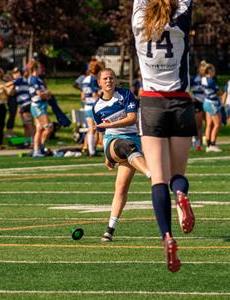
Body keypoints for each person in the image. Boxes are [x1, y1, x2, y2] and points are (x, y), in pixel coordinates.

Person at [133, 0, 196, 272]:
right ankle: (180, 193)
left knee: (158, 178)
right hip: (181, 103)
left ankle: (166, 237)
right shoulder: (180, 21)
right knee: (177, 175)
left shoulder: (138, 24)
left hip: (152, 104)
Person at [93, 68, 151, 242]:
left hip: (132, 141)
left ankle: (109, 230)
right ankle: (151, 174)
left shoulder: (125, 95)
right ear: (99, 83)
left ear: (116, 80)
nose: (109, 81)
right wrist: (106, 155)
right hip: (113, 142)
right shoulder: (97, 107)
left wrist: (109, 124)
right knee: (125, 146)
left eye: (111, 78)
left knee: (121, 188)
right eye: (105, 79)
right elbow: (101, 133)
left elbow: (132, 118)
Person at [28, 62, 53, 157]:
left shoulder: (39, 79)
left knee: (39, 129)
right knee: (49, 127)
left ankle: (36, 151)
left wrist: (46, 94)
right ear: (35, 68)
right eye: (39, 68)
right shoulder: (33, 79)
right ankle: (41, 147)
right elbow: (40, 94)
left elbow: (45, 94)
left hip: (41, 105)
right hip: (38, 106)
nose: (41, 69)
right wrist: (47, 93)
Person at [81, 61, 102, 157]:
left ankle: (90, 149)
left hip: (86, 106)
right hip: (93, 107)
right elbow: (95, 95)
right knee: (94, 129)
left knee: (91, 129)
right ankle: (92, 150)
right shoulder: (93, 79)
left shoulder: (85, 79)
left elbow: (82, 96)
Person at [201, 63, 222, 152]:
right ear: (209, 71)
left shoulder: (203, 79)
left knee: (209, 124)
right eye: (212, 70)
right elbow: (218, 92)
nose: (214, 72)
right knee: (217, 124)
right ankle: (212, 144)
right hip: (212, 102)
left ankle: (208, 144)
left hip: (206, 102)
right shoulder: (210, 80)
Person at [190, 61, 207, 151]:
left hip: (207, 102)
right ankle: (197, 143)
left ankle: (207, 142)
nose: (203, 70)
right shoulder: (194, 79)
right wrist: (191, 97)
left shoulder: (208, 79)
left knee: (209, 123)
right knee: (198, 124)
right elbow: (188, 89)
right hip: (197, 102)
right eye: (202, 68)